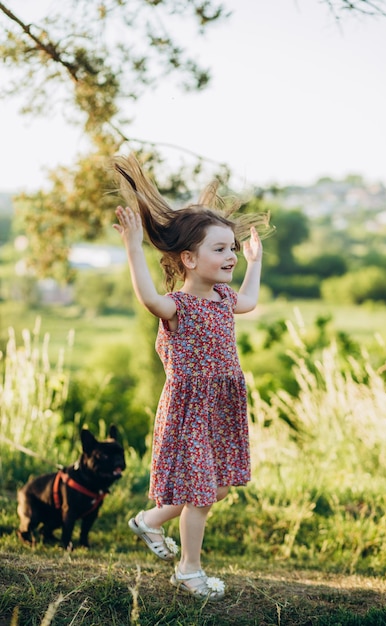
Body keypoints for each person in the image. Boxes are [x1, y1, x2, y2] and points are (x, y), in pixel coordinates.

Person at [112, 154, 270, 601]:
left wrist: (255, 261)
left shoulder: (223, 297)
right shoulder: (177, 308)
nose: (231, 257)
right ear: (188, 258)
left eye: (232, 249)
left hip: (222, 403)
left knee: (216, 486)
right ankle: (189, 569)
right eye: (220, 250)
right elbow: (146, 297)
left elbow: (250, 301)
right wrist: (133, 247)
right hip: (191, 408)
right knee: (200, 493)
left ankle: (149, 521)